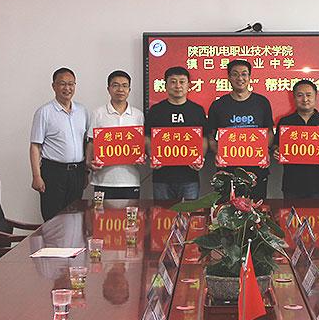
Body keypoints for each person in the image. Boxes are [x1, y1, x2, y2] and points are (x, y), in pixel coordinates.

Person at [207, 59, 274, 200]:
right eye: (235, 74)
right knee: (226, 208)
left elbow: (269, 132)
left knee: (257, 209)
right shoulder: (218, 105)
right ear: (229, 77)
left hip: (257, 169)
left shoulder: (262, 102)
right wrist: (217, 152)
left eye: (244, 74)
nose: (240, 78)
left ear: (249, 77)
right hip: (227, 171)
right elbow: (211, 137)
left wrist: (266, 151)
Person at [29, 67, 89, 221]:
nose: (67, 88)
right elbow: (35, 146)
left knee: (75, 218)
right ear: (53, 86)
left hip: (77, 172)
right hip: (54, 173)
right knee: (53, 219)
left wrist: (86, 172)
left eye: (71, 84)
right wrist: (36, 176)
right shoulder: (44, 112)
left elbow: (86, 142)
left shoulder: (82, 111)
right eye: (62, 84)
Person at [145, 66, 208, 200]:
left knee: (190, 212)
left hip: (189, 176)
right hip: (161, 177)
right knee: (162, 212)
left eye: (182, 82)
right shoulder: (156, 110)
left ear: (188, 85)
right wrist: (152, 155)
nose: (178, 86)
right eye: (173, 82)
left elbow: (203, 138)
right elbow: (147, 137)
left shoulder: (197, 110)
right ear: (165, 85)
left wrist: (200, 158)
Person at [85, 70, 145, 199]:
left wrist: (142, 155)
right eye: (115, 85)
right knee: (101, 213)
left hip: (130, 180)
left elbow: (142, 143)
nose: (120, 89)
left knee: (131, 213)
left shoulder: (138, 115)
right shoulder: (98, 113)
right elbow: (91, 142)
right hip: (103, 180)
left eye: (124, 86)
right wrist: (89, 162)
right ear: (108, 89)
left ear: (129, 90)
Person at [275, 79, 319, 199]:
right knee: (290, 211)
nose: (305, 99)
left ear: (315, 96)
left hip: (317, 184)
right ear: (293, 98)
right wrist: (277, 151)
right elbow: (276, 145)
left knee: (317, 210)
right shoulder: (285, 122)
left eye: (309, 95)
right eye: (300, 95)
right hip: (291, 183)